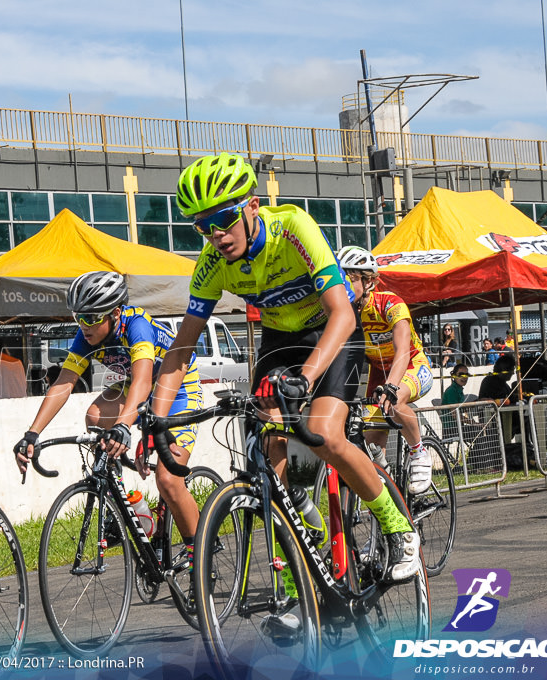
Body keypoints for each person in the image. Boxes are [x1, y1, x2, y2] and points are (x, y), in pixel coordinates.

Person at [151, 153, 421, 611]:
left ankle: (398, 528)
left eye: (222, 219)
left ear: (252, 206)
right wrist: (157, 416)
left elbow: (342, 313)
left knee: (323, 433)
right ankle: (300, 586)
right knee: (268, 465)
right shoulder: (212, 263)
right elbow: (183, 344)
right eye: (203, 226)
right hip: (281, 339)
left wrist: (307, 377)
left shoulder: (294, 227)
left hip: (331, 332)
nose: (216, 235)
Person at [13, 271, 205, 568]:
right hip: (137, 386)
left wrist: (126, 427)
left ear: (115, 313)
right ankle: (125, 502)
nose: (83, 325)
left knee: (167, 478)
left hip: (176, 387)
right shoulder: (87, 335)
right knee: (95, 417)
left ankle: (199, 557)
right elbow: (64, 383)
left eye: (90, 317)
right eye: (78, 317)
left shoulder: (136, 325)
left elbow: (143, 382)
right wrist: (32, 433)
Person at [337, 246, 434, 495]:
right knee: (370, 444)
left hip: (412, 365)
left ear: (369, 281)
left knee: (395, 398)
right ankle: (391, 488)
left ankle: (419, 452)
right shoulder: (344, 313)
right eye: (341, 277)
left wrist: (391, 386)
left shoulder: (390, 303)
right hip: (378, 373)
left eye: (351, 278)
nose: (344, 284)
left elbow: (402, 350)